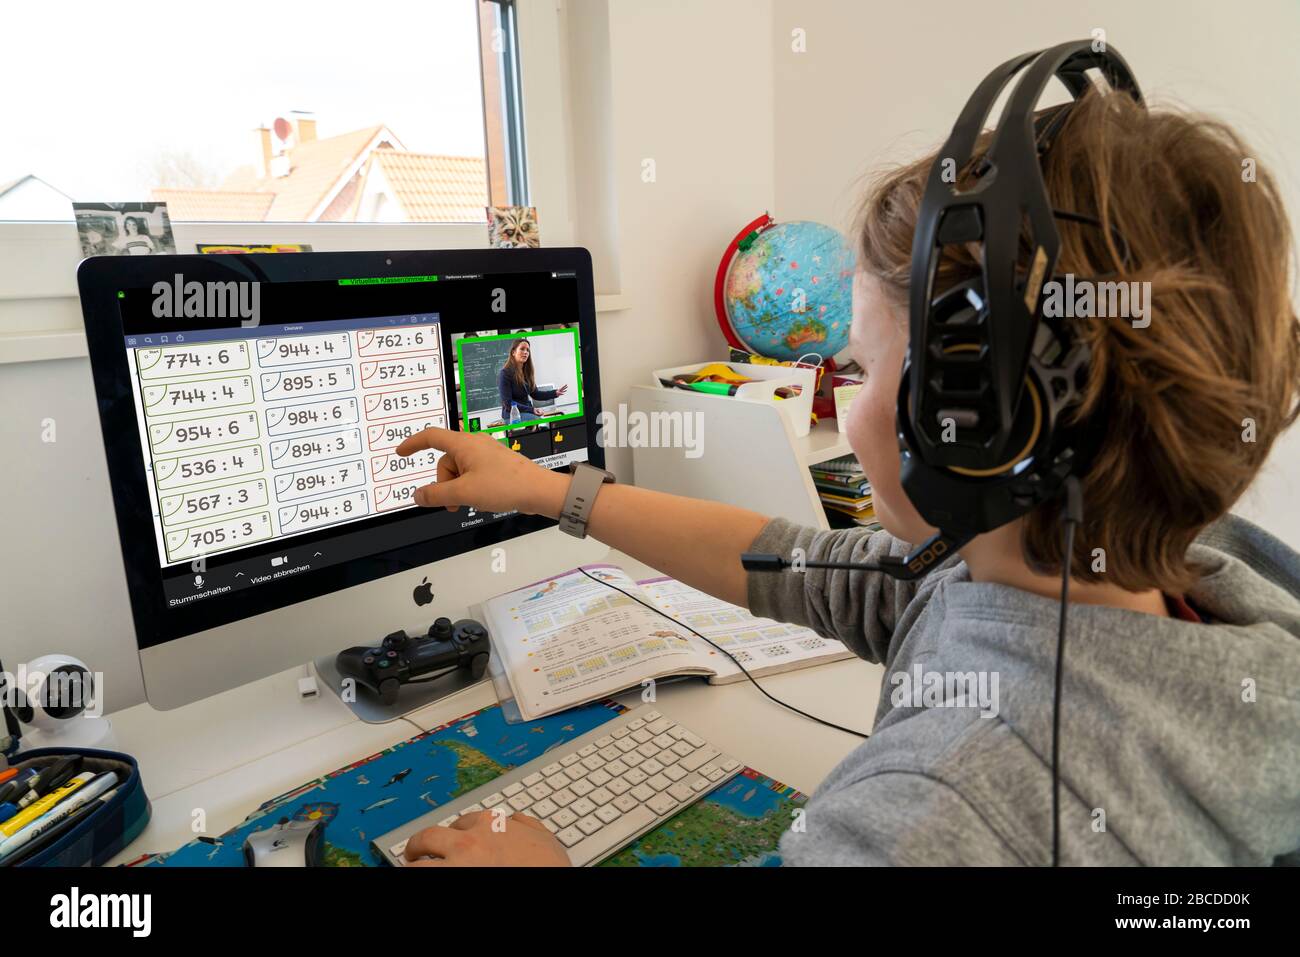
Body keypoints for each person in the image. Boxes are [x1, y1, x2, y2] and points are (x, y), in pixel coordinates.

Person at [393, 89, 1300, 866]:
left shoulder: (928, 814)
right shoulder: (1193, 573)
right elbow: (796, 563)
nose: (842, 393)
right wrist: (552, 490)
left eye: (858, 368)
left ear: (980, 423)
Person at [498, 337, 568, 423]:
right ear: (513, 352)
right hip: (512, 416)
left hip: (527, 412)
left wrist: (555, 393)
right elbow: (507, 402)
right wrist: (531, 410)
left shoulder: (527, 372)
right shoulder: (505, 373)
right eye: (522, 349)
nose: (525, 352)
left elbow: (536, 394)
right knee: (539, 422)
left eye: (527, 350)